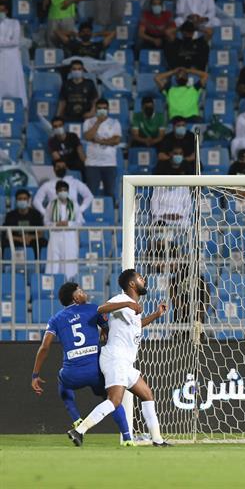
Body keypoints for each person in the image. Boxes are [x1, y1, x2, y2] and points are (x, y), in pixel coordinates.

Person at [68, 270, 169, 447]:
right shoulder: (121, 300)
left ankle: (157, 440)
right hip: (115, 357)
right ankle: (79, 430)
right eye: (140, 278)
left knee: (147, 394)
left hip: (125, 361)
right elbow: (101, 309)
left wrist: (156, 315)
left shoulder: (131, 306)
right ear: (132, 284)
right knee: (114, 401)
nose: (143, 280)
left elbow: (137, 325)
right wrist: (127, 305)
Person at [30, 282, 133, 445]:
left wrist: (35, 374)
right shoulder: (94, 309)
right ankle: (128, 438)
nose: (85, 293)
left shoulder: (55, 319)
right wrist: (105, 330)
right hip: (96, 372)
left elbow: (44, 347)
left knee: (61, 380)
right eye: (81, 291)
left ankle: (76, 419)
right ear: (75, 297)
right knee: (112, 398)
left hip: (73, 375)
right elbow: (108, 328)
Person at [82, 99, 121, 203]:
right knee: (91, 193)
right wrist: (98, 122)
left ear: (108, 109)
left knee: (110, 193)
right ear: (95, 109)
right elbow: (87, 136)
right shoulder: (88, 122)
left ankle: (112, 215)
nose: (102, 110)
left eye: (104, 108)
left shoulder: (115, 123)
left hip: (109, 163)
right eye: (99, 108)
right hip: (92, 164)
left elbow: (116, 140)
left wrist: (99, 141)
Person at [43, 181, 83, 279]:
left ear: (68, 191)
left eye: (65, 190)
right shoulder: (51, 205)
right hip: (55, 237)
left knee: (69, 264)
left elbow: (80, 222)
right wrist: (56, 224)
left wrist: (68, 223)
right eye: (60, 190)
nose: (63, 192)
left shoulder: (74, 204)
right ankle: (53, 288)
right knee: (53, 263)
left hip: (70, 237)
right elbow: (46, 222)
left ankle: (69, 287)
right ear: (56, 192)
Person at [2, 189, 46, 258]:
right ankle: (4, 265)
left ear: (28, 200)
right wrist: (20, 239)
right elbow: (7, 234)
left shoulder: (36, 214)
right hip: (15, 240)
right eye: (20, 199)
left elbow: (40, 233)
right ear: (16, 201)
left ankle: (37, 264)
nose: (22, 201)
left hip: (32, 240)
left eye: (25, 199)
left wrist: (30, 238)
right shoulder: (10, 215)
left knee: (42, 242)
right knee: (3, 242)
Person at [0, 1, 26, 103]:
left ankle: (17, 106)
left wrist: (2, 43)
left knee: (13, 83)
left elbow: (15, 41)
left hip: (12, 59)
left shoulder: (14, 23)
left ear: (6, 11)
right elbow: (10, 42)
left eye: (2, 10)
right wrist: (7, 41)